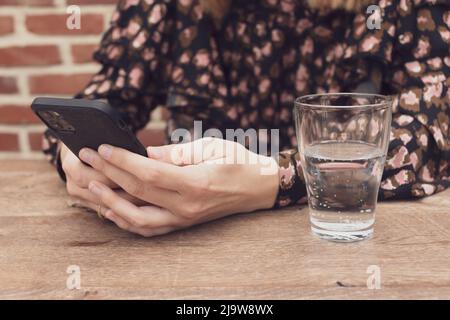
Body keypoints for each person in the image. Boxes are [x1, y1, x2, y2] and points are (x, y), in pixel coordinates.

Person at [42, 0, 449, 237]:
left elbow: (430, 134)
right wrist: (78, 155)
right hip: (192, 252)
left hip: (337, 243)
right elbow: (105, 100)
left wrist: (273, 179)